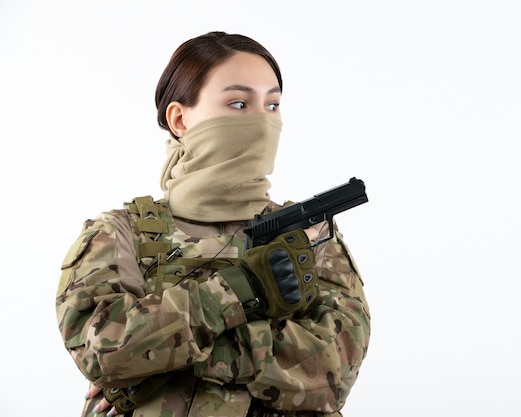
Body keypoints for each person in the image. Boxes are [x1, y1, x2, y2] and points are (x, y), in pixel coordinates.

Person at [55, 31, 370, 417]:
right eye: (238, 103)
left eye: (272, 105)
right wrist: (241, 288)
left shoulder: (310, 234)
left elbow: (333, 371)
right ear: (179, 119)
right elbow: (102, 350)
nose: (261, 121)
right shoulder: (117, 234)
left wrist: (157, 364)